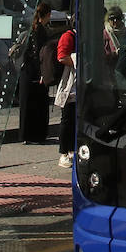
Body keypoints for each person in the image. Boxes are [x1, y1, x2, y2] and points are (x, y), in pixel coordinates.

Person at [17, 2, 54, 144]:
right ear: (48, 15)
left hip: (26, 71)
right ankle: (37, 135)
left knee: (27, 105)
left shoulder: (31, 29)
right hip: (36, 71)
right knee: (39, 104)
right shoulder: (42, 31)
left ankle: (25, 135)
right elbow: (41, 54)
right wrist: (43, 73)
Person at [54, 15, 77, 169]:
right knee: (67, 119)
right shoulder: (68, 36)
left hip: (80, 85)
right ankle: (63, 152)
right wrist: (79, 61)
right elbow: (61, 57)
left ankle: (72, 150)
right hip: (70, 84)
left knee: (76, 120)